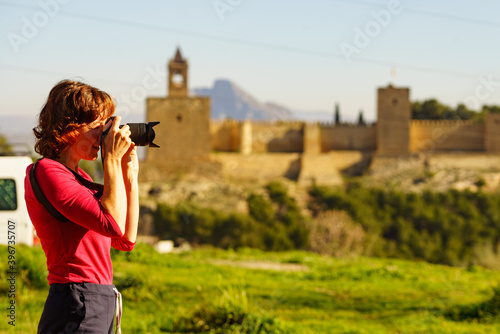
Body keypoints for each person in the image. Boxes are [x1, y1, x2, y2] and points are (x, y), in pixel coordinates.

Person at [24, 79, 139, 333]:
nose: (104, 135)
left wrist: (130, 176)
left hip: (99, 298)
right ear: (70, 128)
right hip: (76, 298)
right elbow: (112, 223)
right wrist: (110, 157)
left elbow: (125, 239)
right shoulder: (47, 171)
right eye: (99, 127)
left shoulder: (83, 179)